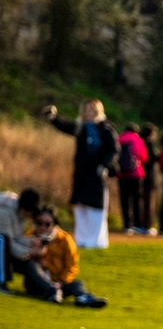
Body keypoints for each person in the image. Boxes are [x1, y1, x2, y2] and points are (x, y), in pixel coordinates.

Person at [41, 99, 118, 249]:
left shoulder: (106, 129)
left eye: (91, 110)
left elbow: (113, 149)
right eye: (86, 110)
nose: (88, 113)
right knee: (80, 205)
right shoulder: (81, 127)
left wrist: (104, 165)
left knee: (95, 208)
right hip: (81, 173)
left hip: (96, 174)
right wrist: (54, 118)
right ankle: (82, 239)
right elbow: (65, 126)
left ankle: (96, 241)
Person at [26, 205, 107, 307]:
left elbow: (72, 267)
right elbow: (22, 262)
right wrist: (35, 253)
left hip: (59, 282)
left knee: (76, 284)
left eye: (47, 224)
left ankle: (83, 298)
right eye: (39, 223)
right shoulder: (29, 237)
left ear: (54, 224)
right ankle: (53, 292)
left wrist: (61, 282)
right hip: (37, 284)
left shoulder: (65, 239)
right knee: (31, 266)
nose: (42, 227)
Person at [0, 188, 46, 296]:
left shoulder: (19, 212)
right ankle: (1, 282)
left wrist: (32, 241)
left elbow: (16, 237)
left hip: (6, 243)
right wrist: (30, 252)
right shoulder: (4, 213)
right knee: (2, 240)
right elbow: (9, 244)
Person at [116, 122, 149, 234]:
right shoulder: (138, 140)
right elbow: (144, 157)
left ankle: (127, 225)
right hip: (136, 174)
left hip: (121, 174)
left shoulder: (119, 139)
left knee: (124, 200)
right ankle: (137, 225)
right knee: (137, 200)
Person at [139, 124, 160, 236]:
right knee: (149, 203)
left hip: (138, 176)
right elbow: (153, 158)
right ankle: (148, 226)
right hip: (149, 177)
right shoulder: (149, 143)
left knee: (142, 202)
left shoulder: (139, 143)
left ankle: (140, 224)